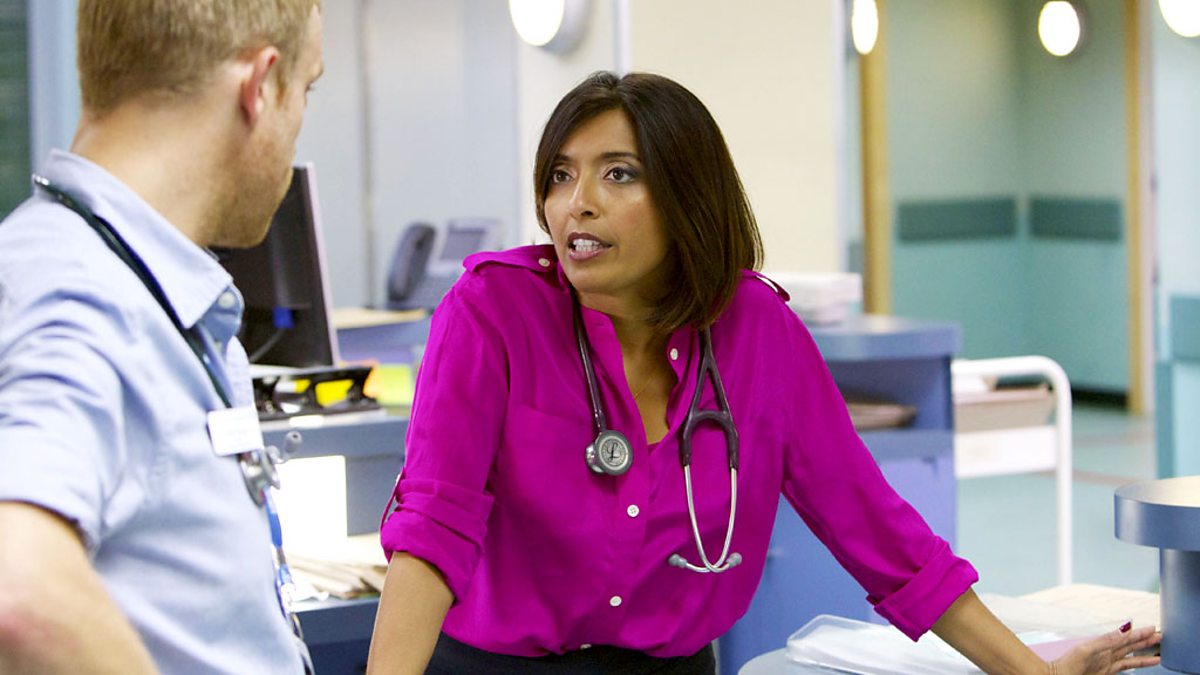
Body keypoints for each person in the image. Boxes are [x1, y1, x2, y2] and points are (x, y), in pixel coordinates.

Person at [366, 71, 1160, 675]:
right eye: (561, 175)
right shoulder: (493, 311)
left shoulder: (758, 331)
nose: (578, 203)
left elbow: (875, 526)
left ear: (687, 197)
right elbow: (433, 529)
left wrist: (1032, 673)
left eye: (619, 173)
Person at [0, 1, 324, 673]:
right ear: (261, 86)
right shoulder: (81, 294)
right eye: (306, 89)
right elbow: (18, 586)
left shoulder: (129, 279)